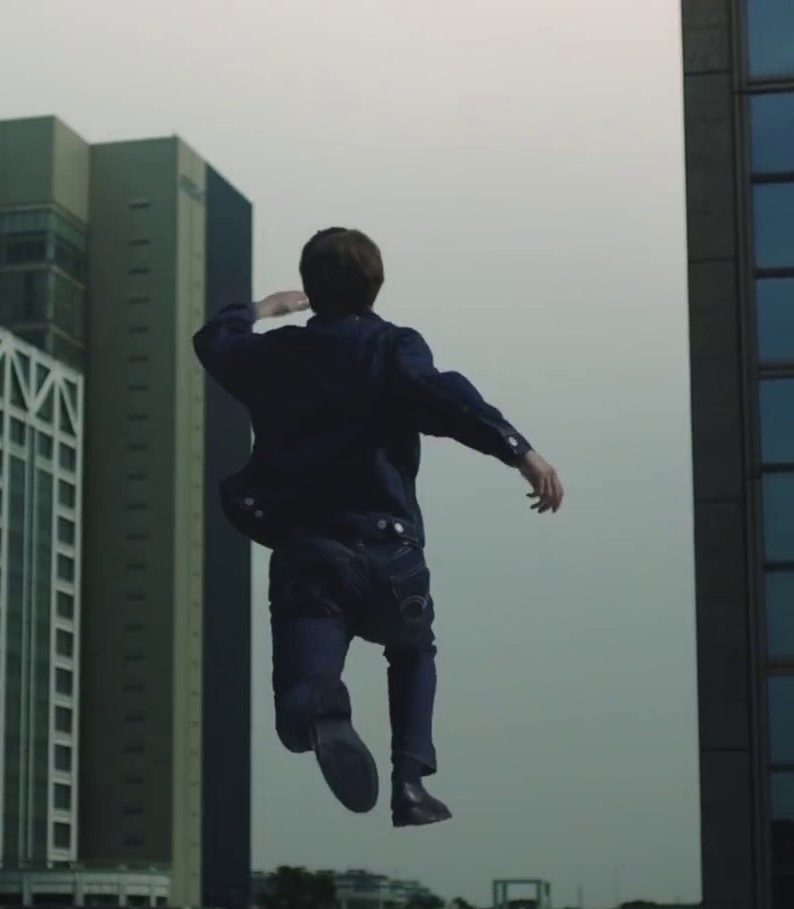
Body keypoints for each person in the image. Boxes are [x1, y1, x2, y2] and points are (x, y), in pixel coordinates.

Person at [191, 227, 563, 827]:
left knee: (300, 706)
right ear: (377, 285)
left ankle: (317, 698)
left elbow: (214, 341)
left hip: (310, 555)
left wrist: (260, 310)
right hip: (392, 555)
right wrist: (520, 451)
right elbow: (444, 396)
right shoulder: (393, 346)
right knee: (412, 649)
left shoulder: (275, 355)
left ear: (309, 286)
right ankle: (410, 784)